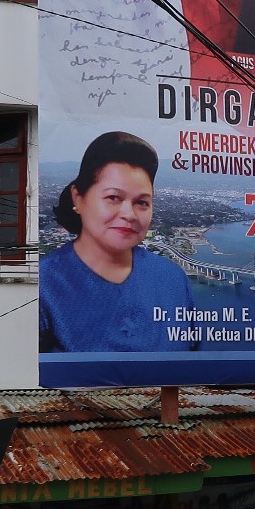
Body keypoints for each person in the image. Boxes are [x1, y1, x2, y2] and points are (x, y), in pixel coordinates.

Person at [39, 131, 196, 354]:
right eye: (114, 198)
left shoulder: (171, 279)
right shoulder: (47, 284)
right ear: (78, 198)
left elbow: (187, 369)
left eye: (142, 202)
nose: (129, 214)